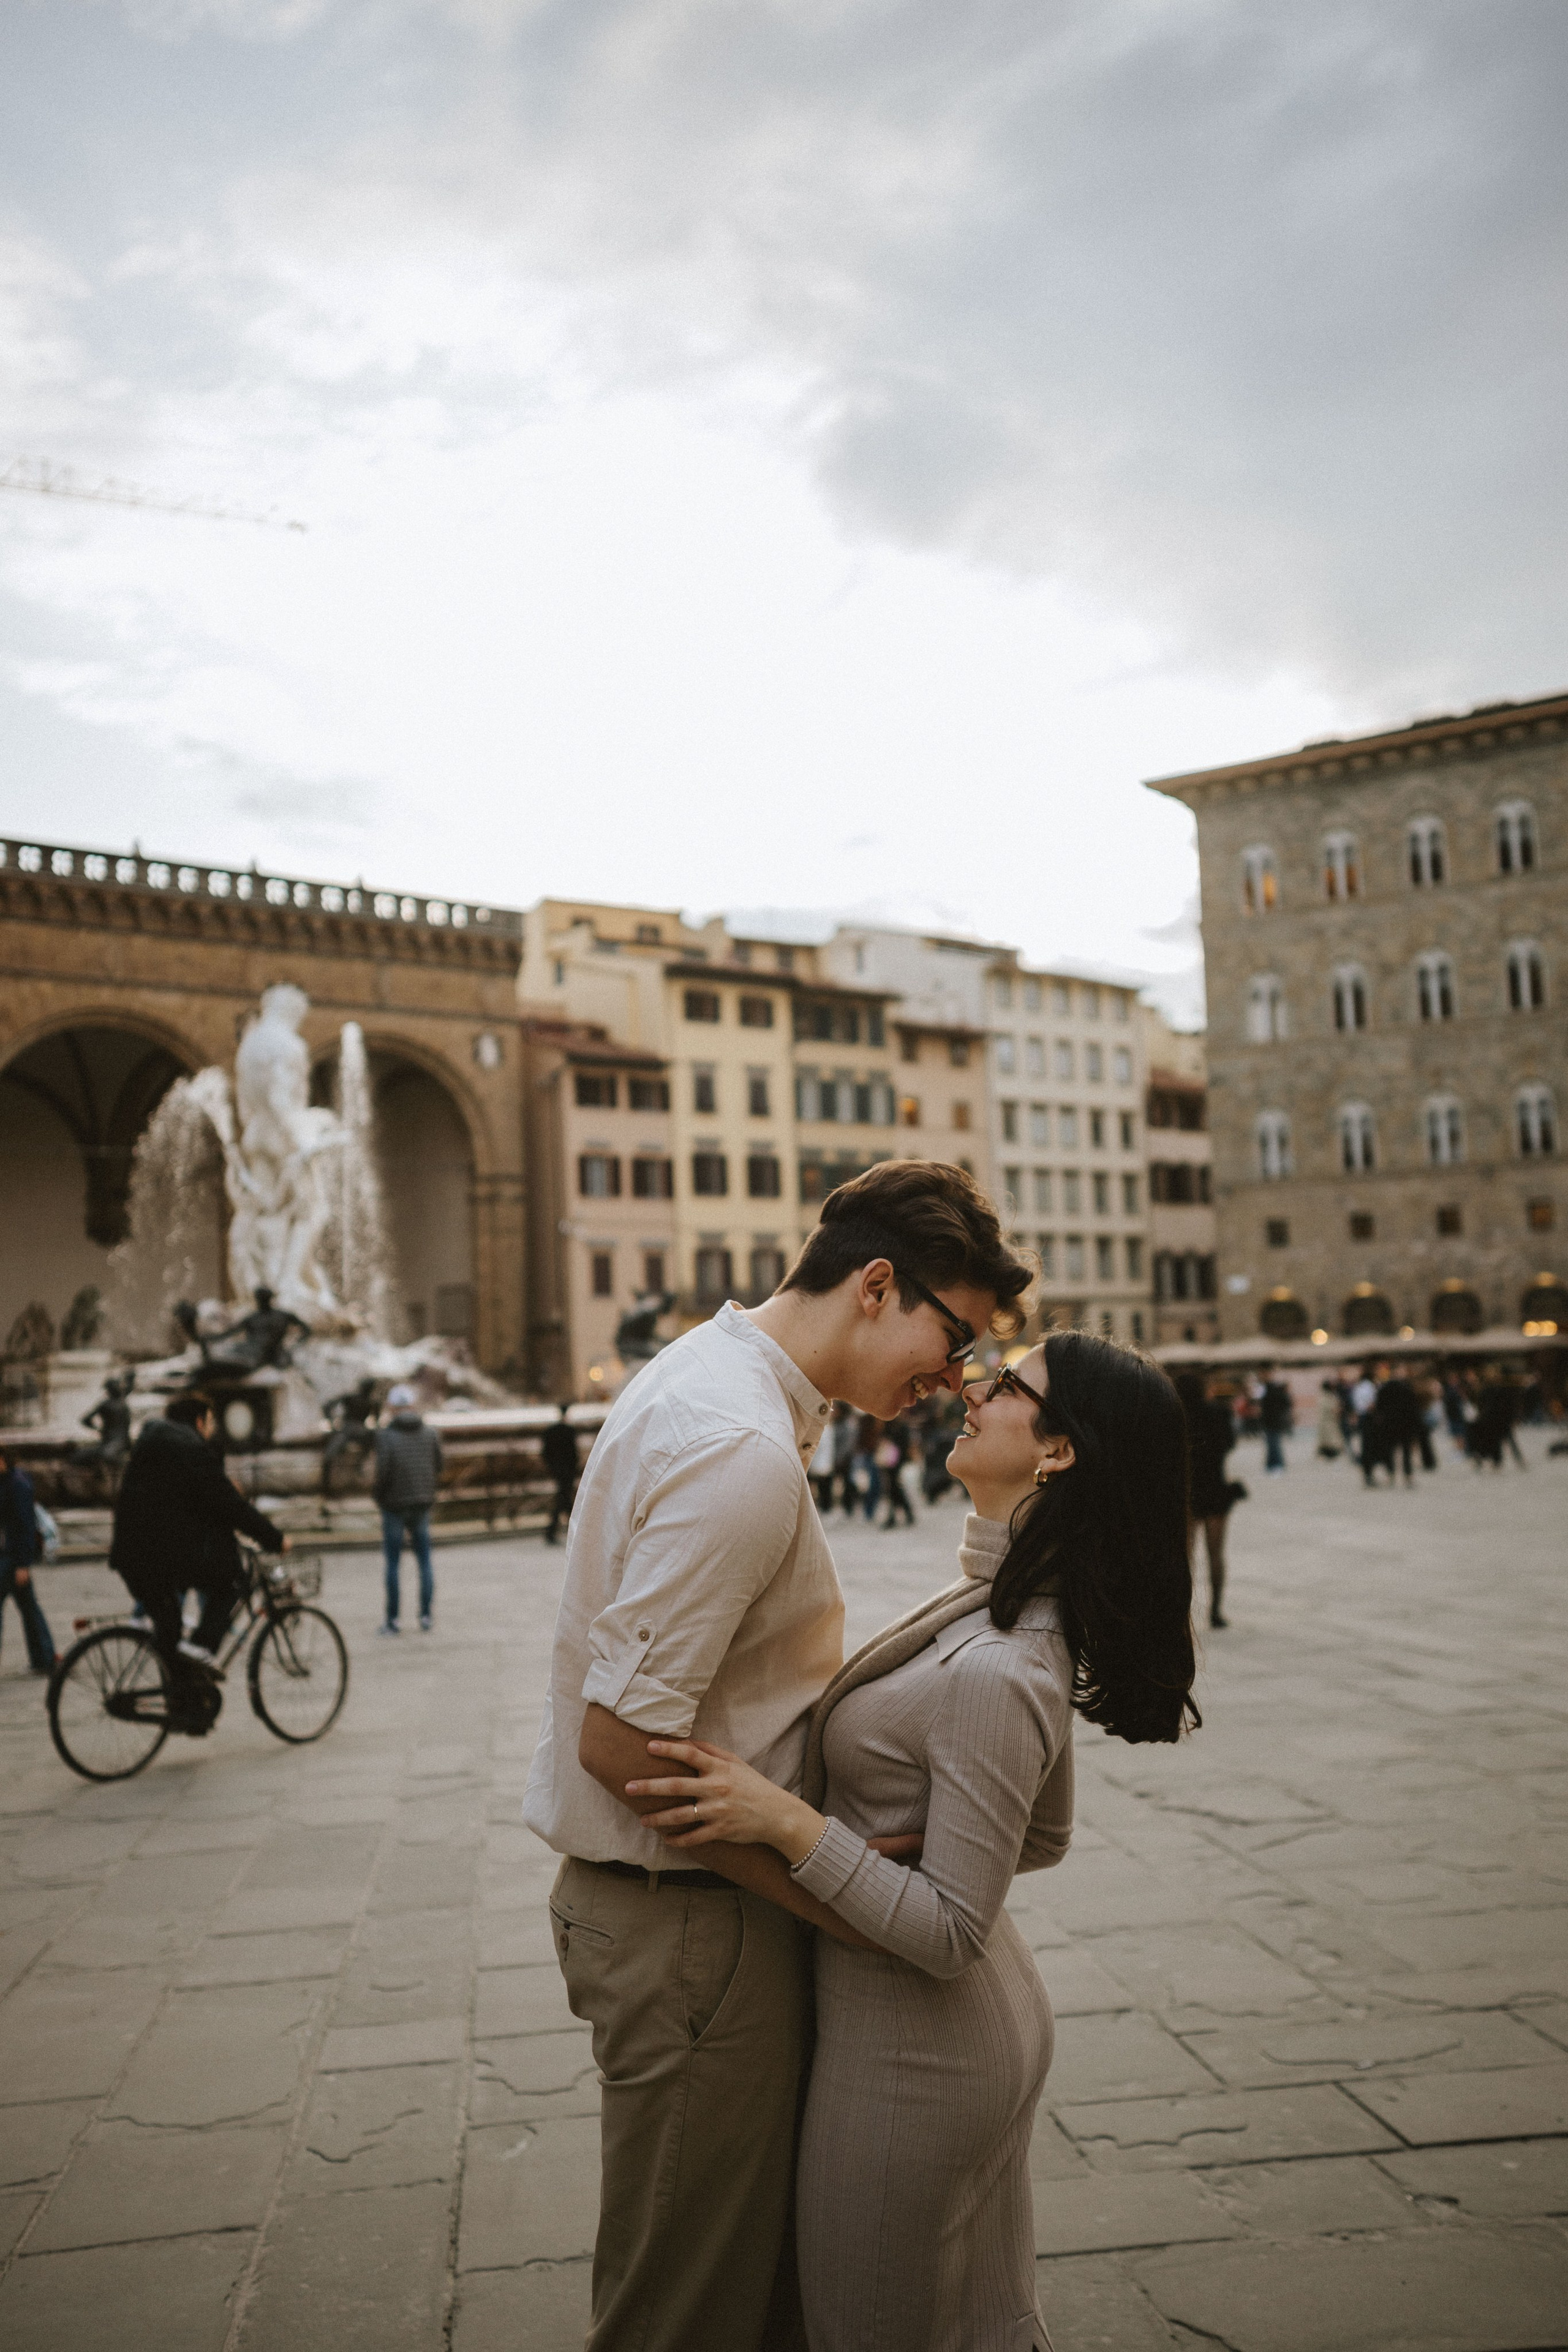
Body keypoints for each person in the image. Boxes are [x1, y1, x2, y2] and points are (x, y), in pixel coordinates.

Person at [524, 1158, 1030, 2352]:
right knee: (688, 2316)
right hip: (691, 1929)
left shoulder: (706, 1376)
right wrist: (833, 1881)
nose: (953, 1378)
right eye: (954, 1338)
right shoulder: (739, 1447)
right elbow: (619, 1740)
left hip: (673, 1921)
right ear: (873, 1284)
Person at [628, 1332, 1199, 2352]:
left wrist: (792, 1824)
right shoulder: (1008, 1607)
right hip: (948, 2036)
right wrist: (902, 1846)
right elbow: (1048, 1833)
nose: (971, 1393)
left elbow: (948, 1933)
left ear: (1059, 1451)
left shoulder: (999, 1659)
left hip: (917, 2051)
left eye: (1006, 1385)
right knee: (987, 2326)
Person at [109, 1392, 285, 1712]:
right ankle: (201, 1652)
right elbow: (229, 1505)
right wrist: (274, 1538)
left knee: (169, 1633)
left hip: (132, 1555)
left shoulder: (154, 1444)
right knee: (233, 1581)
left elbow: (183, 1502)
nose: (211, 1431)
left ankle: (186, 1705)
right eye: (210, 1424)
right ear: (200, 1421)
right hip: (160, 1557)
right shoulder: (192, 1450)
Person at [374, 1384, 442, 1632]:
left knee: (393, 1563)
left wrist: (379, 1497)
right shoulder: (431, 1433)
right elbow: (438, 1466)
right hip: (422, 1503)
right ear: (413, 1407)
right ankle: (426, 1616)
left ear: (392, 1408)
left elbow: (383, 1473)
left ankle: (393, 1621)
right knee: (424, 1561)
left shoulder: (385, 1436)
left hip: (393, 1505)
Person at [1175, 1371, 1240, 1627]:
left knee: (1184, 1558)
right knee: (1216, 1554)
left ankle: (1182, 1613)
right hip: (1215, 1488)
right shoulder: (1219, 1413)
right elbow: (1230, 1444)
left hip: (1187, 1492)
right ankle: (1216, 1611)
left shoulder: (1175, 1417)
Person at [0, 1445, 58, 1676]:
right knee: (29, 1607)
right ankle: (43, 1657)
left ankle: (44, 1657)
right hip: (8, 1556)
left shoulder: (17, 1484)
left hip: (12, 1558)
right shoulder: (10, 1482)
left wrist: (24, 1564)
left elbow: (25, 1527)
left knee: (29, 1608)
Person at [541, 1403, 581, 1545]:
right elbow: (574, 1453)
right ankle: (573, 1530)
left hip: (557, 1470)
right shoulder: (570, 1431)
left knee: (563, 1499)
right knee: (564, 1499)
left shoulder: (550, 1431)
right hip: (568, 1470)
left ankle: (556, 1531)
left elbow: (546, 1452)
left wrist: (551, 1467)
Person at [1258, 1370, 1292, 1472]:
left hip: (1272, 1421)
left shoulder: (1270, 1390)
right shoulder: (1271, 1390)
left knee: (1273, 1443)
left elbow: (1284, 1404)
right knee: (1272, 1443)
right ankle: (1273, 1464)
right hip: (1273, 1421)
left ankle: (1276, 1464)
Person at [1315, 1379, 1344, 1460]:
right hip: (1330, 1422)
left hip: (1324, 1421)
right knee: (1331, 1439)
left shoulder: (1322, 1397)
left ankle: (1326, 1453)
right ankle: (1330, 1454)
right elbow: (1334, 1410)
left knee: (1326, 1439)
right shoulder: (1330, 1397)